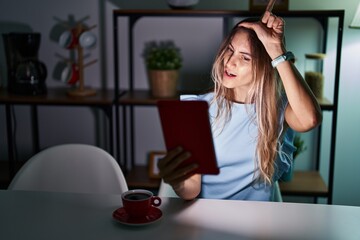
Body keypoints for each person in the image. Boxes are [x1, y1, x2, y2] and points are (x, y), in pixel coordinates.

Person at [157, 10, 322, 201]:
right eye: (230, 49)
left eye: (245, 57)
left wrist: (276, 49)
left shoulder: (280, 108)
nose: (230, 62)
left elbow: (310, 119)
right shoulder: (196, 109)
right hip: (209, 219)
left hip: (259, 224)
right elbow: (191, 189)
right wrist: (177, 179)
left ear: (265, 66)